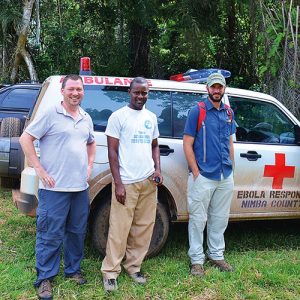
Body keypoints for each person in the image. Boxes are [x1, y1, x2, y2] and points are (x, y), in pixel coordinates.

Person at [19, 74, 96, 300]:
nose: (75, 93)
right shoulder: (50, 113)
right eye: (71, 89)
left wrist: (90, 166)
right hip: (54, 190)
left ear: (83, 92)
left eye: (79, 89)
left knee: (76, 232)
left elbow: (91, 143)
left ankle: (73, 270)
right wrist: (40, 170)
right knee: (49, 234)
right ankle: (45, 278)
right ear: (62, 91)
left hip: (79, 189)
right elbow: (25, 139)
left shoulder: (85, 117)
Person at [101, 77, 163, 292]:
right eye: (137, 92)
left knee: (143, 227)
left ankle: (133, 266)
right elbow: (112, 151)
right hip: (126, 182)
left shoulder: (151, 117)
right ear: (129, 92)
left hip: (148, 181)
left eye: (144, 93)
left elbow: (155, 145)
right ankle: (110, 271)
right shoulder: (118, 117)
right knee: (119, 228)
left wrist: (157, 170)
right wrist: (117, 183)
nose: (140, 96)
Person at [183, 73, 236, 277]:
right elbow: (187, 143)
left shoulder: (228, 112)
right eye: (213, 87)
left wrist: (231, 167)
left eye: (219, 87)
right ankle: (197, 260)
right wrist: (196, 172)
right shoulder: (198, 111)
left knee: (220, 218)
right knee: (198, 219)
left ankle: (216, 255)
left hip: (225, 175)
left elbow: (230, 142)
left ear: (224, 89)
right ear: (207, 88)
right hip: (203, 175)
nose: (216, 90)